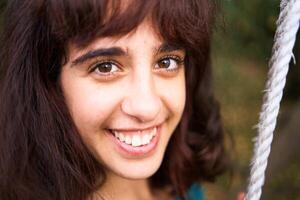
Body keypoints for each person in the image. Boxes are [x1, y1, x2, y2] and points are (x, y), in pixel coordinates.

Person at [0, 0, 230, 199]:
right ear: (47, 82)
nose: (147, 107)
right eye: (106, 66)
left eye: (166, 62)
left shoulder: (180, 184)